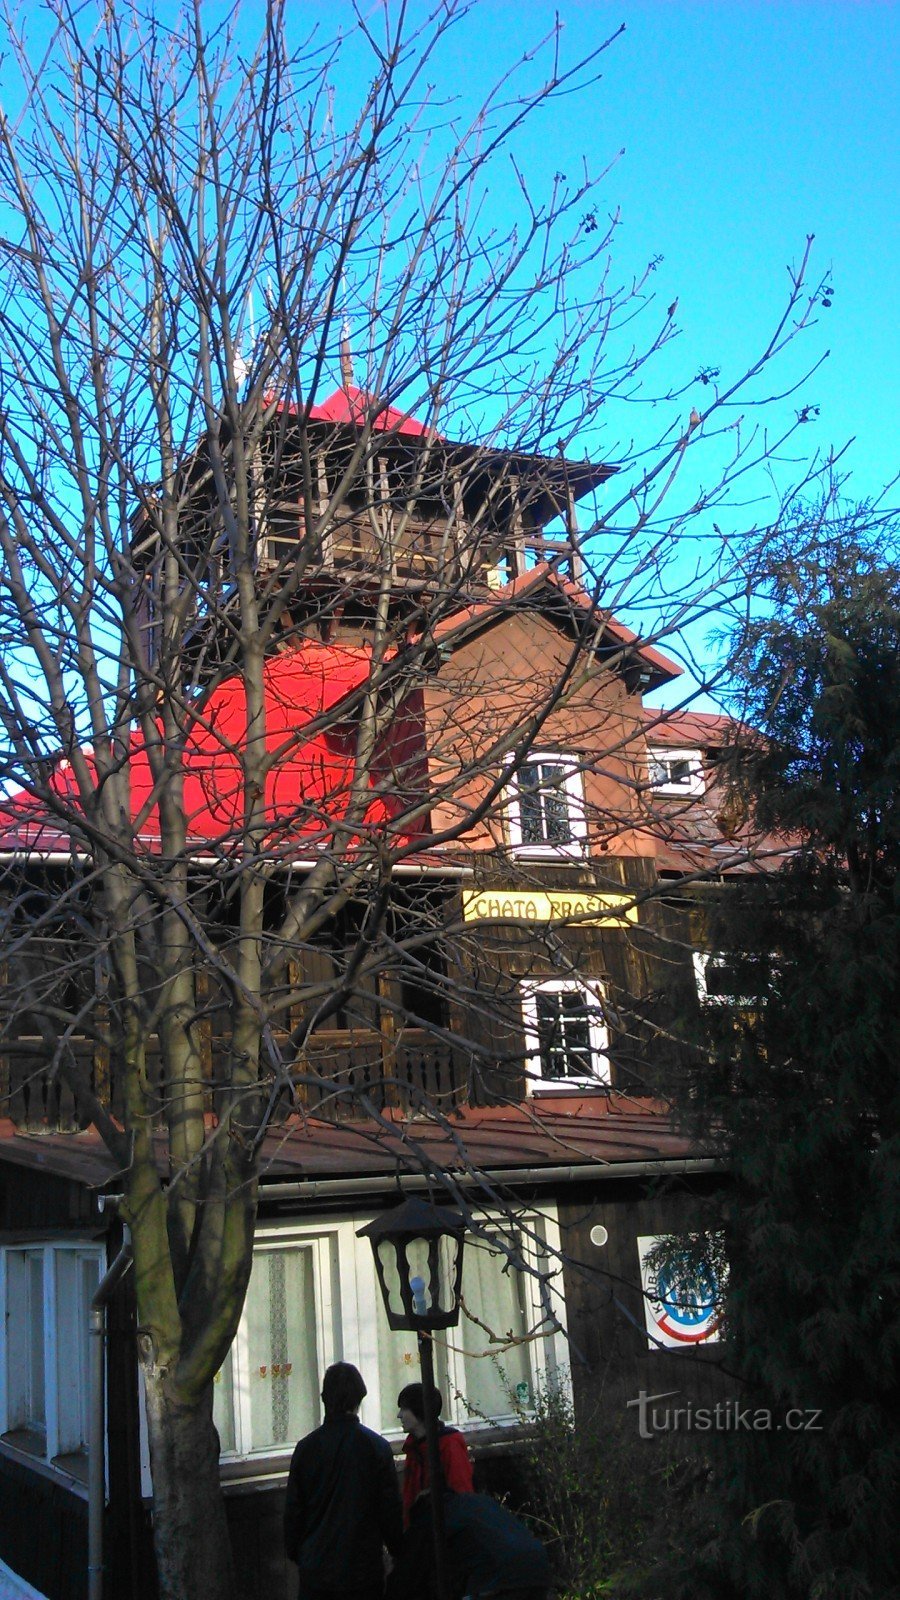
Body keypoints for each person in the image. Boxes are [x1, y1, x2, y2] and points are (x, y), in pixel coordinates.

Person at [284, 1361, 403, 1600]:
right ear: (358, 1399)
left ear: (324, 1398)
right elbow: (389, 1510)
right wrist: (398, 1551)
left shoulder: (306, 1449)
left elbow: (294, 1511)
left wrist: (300, 1553)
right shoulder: (376, 1447)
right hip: (362, 1570)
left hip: (316, 1569)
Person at [386, 1488, 551, 1600]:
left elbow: (405, 1577)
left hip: (494, 1580)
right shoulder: (477, 1504)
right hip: (538, 1569)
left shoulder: (430, 1518)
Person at [397, 1381, 474, 1527]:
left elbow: (462, 1494)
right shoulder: (414, 1446)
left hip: (443, 1533)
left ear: (419, 1410)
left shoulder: (448, 1444)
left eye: (404, 1409)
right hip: (419, 1533)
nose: (399, 1415)